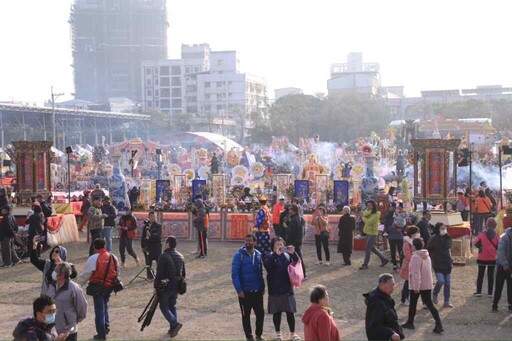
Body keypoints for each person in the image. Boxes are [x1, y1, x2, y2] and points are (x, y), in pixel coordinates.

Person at [77, 238, 120, 340]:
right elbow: (117, 272)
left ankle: (101, 334)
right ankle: (106, 326)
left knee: (99, 310)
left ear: (94, 247)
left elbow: (86, 274)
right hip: (109, 286)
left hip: (97, 287)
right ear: (105, 246)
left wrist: (78, 286)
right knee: (105, 306)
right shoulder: (113, 257)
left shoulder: (93, 258)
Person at [401, 239, 443, 334]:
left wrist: (416, 286)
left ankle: (410, 322)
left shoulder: (415, 256)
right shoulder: (426, 255)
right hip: (427, 284)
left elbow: (416, 273)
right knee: (430, 305)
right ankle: (438, 323)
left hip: (418, 285)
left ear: (414, 246)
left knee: (413, 304)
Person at [264, 237, 300, 341]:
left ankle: (293, 334)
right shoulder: (269, 256)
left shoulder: (287, 256)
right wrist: (275, 255)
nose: (280, 246)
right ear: (273, 247)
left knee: (290, 312)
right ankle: (278, 333)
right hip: (275, 289)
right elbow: (268, 267)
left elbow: (297, 263)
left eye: (281, 244)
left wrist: (294, 253)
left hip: (287, 288)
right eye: (277, 244)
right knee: (277, 312)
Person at [231, 234, 266, 341]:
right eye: (246, 240)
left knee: (260, 314)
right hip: (244, 292)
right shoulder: (238, 256)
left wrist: (262, 286)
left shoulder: (259, 255)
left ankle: (258, 335)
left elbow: (261, 273)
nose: (248, 242)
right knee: (246, 316)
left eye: (250, 241)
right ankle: (249, 337)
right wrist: (239, 290)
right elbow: (235, 274)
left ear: (255, 243)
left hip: (257, 291)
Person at [46, 262, 88, 340]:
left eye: (56, 271)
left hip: (68, 331)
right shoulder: (51, 286)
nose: (53, 272)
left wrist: (72, 321)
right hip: (52, 329)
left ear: (62, 275)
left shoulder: (74, 288)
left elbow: (82, 307)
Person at [155, 236, 185, 338]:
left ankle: (174, 323)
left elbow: (159, 274)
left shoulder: (163, 256)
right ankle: (173, 329)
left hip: (166, 286)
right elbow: (183, 274)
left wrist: (156, 286)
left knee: (163, 306)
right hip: (177, 285)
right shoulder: (181, 256)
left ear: (168, 244)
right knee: (172, 305)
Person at [363, 273, 404, 341]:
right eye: (391, 285)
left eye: (393, 284)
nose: (393, 287)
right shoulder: (377, 303)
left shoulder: (385, 297)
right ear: (382, 285)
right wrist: (391, 333)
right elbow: (375, 325)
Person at [427, 223, 453, 307]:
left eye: (445, 228)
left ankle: (446, 300)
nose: (444, 230)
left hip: (447, 262)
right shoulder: (433, 239)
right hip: (438, 262)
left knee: (448, 283)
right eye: (442, 228)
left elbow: (449, 249)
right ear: (438, 229)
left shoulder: (448, 237)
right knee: (441, 280)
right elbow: (428, 250)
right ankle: (435, 293)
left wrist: (451, 259)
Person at [474, 218, 500, 298]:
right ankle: (490, 293)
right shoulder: (497, 236)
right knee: (491, 276)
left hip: (482, 257)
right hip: (492, 257)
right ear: (495, 225)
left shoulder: (482, 234)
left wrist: (481, 248)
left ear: (487, 224)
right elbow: (499, 246)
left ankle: (479, 292)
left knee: (480, 275)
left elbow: (475, 243)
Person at [360, 200, 389, 270]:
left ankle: (365, 264)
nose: (368, 207)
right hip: (368, 232)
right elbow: (364, 214)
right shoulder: (367, 212)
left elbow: (369, 222)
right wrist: (365, 214)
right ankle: (384, 259)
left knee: (367, 248)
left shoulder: (377, 213)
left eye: (370, 205)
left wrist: (363, 218)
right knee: (372, 248)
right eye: (367, 205)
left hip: (373, 233)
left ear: (373, 206)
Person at [492, 226, 512, 312]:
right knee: (499, 286)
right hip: (502, 266)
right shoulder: (504, 238)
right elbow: (500, 252)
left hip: (510, 266)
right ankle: (495, 304)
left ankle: (510, 305)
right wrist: (505, 265)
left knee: (511, 287)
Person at [399, 226, 420, 305]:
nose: (418, 234)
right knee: (408, 282)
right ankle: (404, 298)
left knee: (411, 282)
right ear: (412, 234)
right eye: (416, 233)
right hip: (409, 265)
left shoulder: (416, 241)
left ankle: (407, 298)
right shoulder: (407, 243)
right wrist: (415, 260)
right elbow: (407, 255)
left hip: (415, 264)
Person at [287, 204, 306, 279]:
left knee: (297, 259)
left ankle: (302, 274)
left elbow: (291, 232)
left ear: (293, 211)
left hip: (294, 242)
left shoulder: (294, 220)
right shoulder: (299, 218)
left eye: (290, 209)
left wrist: (289, 243)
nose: (289, 211)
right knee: (297, 258)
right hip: (297, 241)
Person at [141, 211, 162, 279]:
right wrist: (142, 246)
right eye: (151, 216)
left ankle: (159, 276)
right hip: (148, 247)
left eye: (154, 216)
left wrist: (151, 235)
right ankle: (150, 275)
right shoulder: (146, 226)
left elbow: (158, 235)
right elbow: (143, 237)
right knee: (148, 263)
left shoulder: (158, 226)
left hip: (156, 246)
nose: (152, 218)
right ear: (149, 217)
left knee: (159, 262)